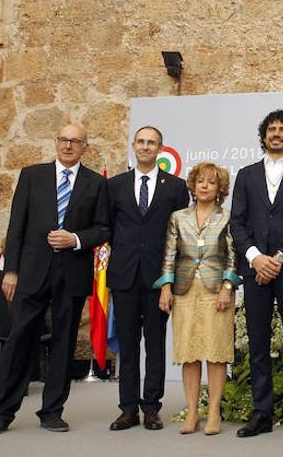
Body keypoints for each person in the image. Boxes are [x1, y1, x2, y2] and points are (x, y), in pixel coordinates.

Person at [0, 123, 111, 436]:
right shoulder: (31, 176)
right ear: (56, 142)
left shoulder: (96, 183)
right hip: (31, 273)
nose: (68, 145)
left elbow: (104, 228)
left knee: (64, 344)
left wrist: (75, 239)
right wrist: (11, 270)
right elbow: (16, 226)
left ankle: (52, 411)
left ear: (84, 147)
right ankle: (1, 412)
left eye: (75, 141)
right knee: (19, 340)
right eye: (63, 139)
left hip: (72, 273)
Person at [230, 110, 283, 440]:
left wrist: (278, 259)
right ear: (264, 136)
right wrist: (255, 258)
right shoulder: (246, 174)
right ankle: (261, 412)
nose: (277, 134)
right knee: (258, 343)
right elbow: (236, 222)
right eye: (271, 129)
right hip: (255, 271)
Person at [106, 125, 189, 431]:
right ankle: (128, 408)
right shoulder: (115, 185)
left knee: (155, 346)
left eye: (151, 142)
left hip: (159, 279)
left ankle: (151, 408)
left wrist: (172, 278)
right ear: (133, 145)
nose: (145, 146)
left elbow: (180, 235)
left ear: (160, 148)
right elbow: (109, 228)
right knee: (128, 346)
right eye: (140, 142)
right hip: (125, 275)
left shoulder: (176, 187)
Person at [155, 162, 239, 436]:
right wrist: (166, 287)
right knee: (189, 354)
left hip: (217, 292)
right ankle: (192, 412)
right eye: (200, 181)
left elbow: (233, 256)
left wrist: (228, 286)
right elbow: (169, 255)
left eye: (211, 182)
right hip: (184, 292)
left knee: (216, 354)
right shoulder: (178, 217)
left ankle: (213, 411)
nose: (204, 186)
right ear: (192, 186)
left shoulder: (228, 217)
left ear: (219, 189)